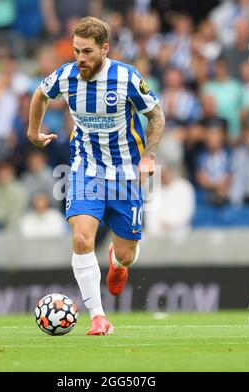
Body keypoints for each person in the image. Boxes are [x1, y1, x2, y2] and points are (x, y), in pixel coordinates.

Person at [27, 17, 165, 335]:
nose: (80, 58)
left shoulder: (126, 77)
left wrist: (149, 156)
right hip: (85, 168)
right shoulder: (66, 75)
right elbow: (40, 94)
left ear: (105, 49)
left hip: (127, 174)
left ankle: (117, 261)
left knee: (128, 254)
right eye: (76, 50)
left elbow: (155, 115)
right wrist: (33, 131)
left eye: (87, 51)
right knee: (81, 237)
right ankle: (98, 317)